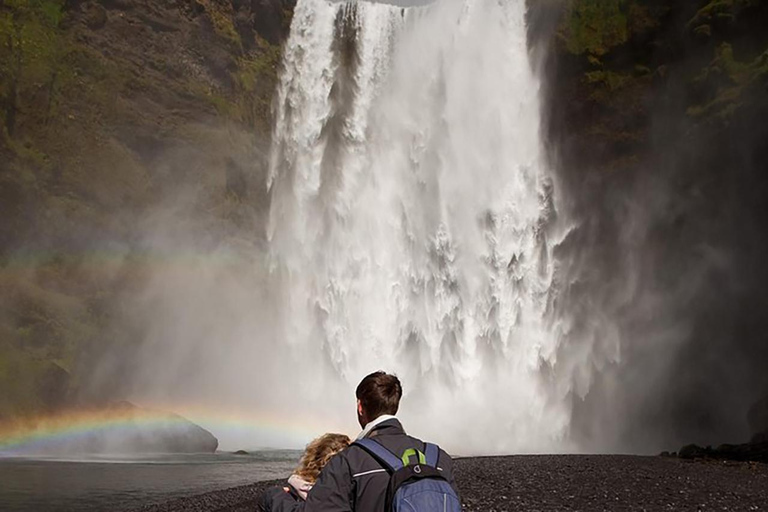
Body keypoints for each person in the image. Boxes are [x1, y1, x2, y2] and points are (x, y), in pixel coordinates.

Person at [263, 371, 460, 512]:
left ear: (359, 406)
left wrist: (274, 498)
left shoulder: (348, 461)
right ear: (395, 406)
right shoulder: (438, 459)